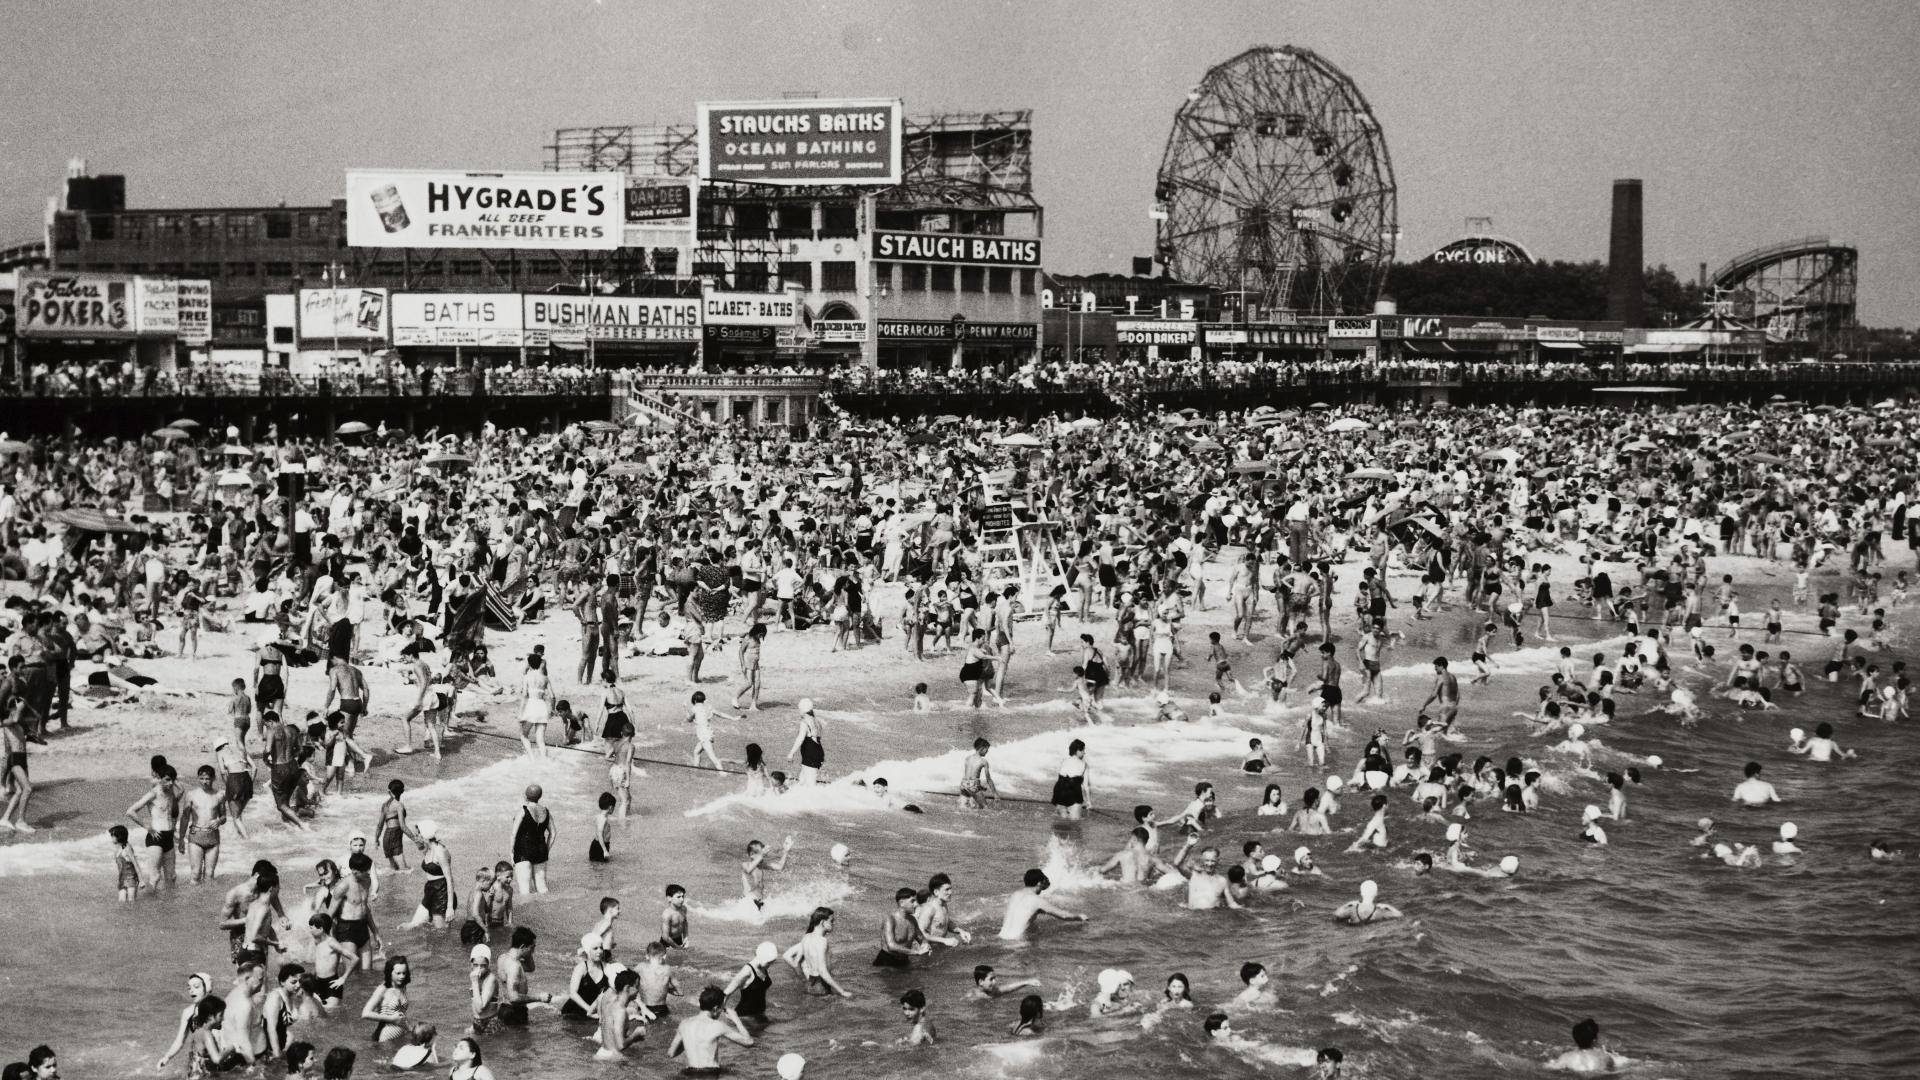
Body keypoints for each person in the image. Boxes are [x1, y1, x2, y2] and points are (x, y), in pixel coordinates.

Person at [667, 985, 755, 1075]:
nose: (721, 1011)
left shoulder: (684, 1023)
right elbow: (749, 1042)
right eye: (722, 1008)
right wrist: (736, 1019)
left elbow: (671, 1053)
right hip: (710, 1073)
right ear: (716, 1009)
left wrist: (688, 1039)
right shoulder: (718, 1025)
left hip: (690, 1073)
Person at [783, 906, 853, 998]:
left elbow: (788, 956)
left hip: (810, 984)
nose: (834, 923)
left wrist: (803, 976)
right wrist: (842, 991)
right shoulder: (821, 941)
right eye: (831, 921)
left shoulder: (806, 937)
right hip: (821, 987)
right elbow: (822, 971)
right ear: (822, 922)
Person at [999, 868, 1088, 940]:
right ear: (1039, 883)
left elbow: (1023, 913)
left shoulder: (1015, 895)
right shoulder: (1037, 901)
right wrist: (1080, 917)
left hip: (1001, 938)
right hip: (1018, 944)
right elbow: (1064, 916)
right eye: (1044, 879)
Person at [594, 969, 648, 1061]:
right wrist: (635, 1035)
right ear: (627, 988)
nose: (638, 991)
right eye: (636, 987)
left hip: (601, 1052)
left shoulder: (608, 1001)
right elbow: (620, 1045)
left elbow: (611, 1034)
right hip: (612, 1058)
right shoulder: (621, 1011)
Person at [511, 785, 553, 895]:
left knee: (525, 890)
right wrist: (546, 850)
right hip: (541, 850)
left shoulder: (523, 811)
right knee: (542, 888)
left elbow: (513, 834)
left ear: (525, 796)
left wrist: (511, 852)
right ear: (539, 796)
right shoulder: (546, 811)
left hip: (523, 850)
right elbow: (553, 833)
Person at [1547, 1016, 1630, 1073]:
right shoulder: (1605, 1057)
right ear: (1595, 1040)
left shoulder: (1566, 1057)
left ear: (1575, 1040)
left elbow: (1549, 1067)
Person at [874, 887, 931, 968]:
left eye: (916, 901)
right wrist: (917, 952)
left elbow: (922, 939)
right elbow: (891, 946)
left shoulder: (913, 920)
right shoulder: (890, 919)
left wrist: (926, 945)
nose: (916, 904)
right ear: (901, 903)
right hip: (886, 962)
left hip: (904, 961)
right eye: (912, 901)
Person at [723, 942, 780, 1022]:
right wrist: (723, 1014)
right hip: (744, 1017)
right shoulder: (746, 972)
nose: (770, 965)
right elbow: (726, 994)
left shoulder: (763, 967)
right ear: (762, 958)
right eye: (769, 962)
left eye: (772, 962)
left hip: (759, 1015)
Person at [361, 955, 411, 1043]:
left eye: (404, 973)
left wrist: (410, 1030)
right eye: (398, 973)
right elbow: (365, 1013)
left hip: (400, 1035)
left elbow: (401, 1014)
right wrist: (391, 1019)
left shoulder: (402, 986)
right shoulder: (382, 989)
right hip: (385, 1038)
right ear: (390, 972)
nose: (402, 976)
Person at [741, 837, 793, 912]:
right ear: (752, 854)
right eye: (761, 854)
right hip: (749, 902)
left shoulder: (761, 865)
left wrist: (786, 851)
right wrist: (761, 855)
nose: (763, 858)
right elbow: (749, 870)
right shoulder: (745, 865)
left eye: (764, 855)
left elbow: (780, 867)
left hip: (759, 902)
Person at [518, 654, 553, 758]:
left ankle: (532, 759)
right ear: (540, 663)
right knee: (540, 740)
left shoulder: (527, 677)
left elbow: (524, 695)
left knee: (524, 735)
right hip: (542, 707)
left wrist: (520, 713)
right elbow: (552, 696)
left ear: (529, 664)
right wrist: (551, 709)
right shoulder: (545, 678)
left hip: (531, 706)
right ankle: (544, 761)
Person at [788, 699, 826, 785]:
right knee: (802, 781)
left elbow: (800, 739)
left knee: (810, 784)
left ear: (802, 710)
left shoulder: (804, 722)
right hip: (818, 752)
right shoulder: (817, 721)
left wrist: (791, 753)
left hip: (810, 754)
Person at [1051, 738, 1091, 820]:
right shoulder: (1084, 764)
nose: (1084, 752)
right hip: (1073, 791)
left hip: (1059, 791)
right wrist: (1088, 802)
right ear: (1078, 751)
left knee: (1062, 819)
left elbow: (1060, 776)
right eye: (1083, 750)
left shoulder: (1064, 761)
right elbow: (1086, 786)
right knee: (1075, 822)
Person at [1332, 879, 1402, 924]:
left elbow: (1336, 914)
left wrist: (1347, 905)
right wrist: (1388, 907)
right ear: (1376, 894)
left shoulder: (1353, 908)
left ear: (1361, 893)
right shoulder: (1380, 911)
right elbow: (1399, 915)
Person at [960, 738, 998, 809]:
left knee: (966, 808)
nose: (987, 751)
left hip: (963, 784)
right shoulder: (983, 761)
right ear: (982, 748)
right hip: (973, 786)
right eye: (987, 749)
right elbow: (988, 779)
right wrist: (995, 794)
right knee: (985, 808)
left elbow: (969, 776)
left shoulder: (968, 758)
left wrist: (979, 787)